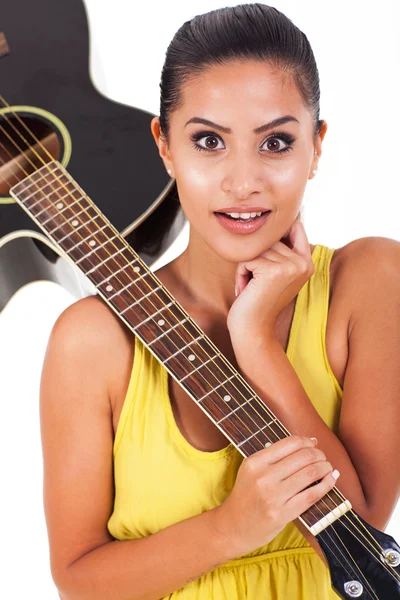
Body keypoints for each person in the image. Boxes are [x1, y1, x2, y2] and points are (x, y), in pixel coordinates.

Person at [40, 4, 400, 599]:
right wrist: (228, 530)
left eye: (276, 142)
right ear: (164, 146)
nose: (243, 182)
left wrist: (257, 345)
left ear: (317, 146)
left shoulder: (371, 280)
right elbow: (78, 582)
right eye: (209, 141)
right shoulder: (92, 339)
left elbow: (362, 540)